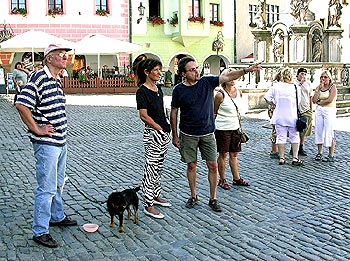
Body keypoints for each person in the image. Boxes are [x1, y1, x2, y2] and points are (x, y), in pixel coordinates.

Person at [170, 57, 261, 212]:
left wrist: (246, 70)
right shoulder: (179, 90)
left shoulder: (207, 82)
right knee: (191, 165)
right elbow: (174, 112)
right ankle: (193, 196)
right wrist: (175, 135)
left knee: (213, 165)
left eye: (196, 68)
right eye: (192, 69)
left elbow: (227, 77)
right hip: (188, 133)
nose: (196, 71)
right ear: (183, 73)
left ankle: (213, 198)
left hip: (208, 133)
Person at [15, 44, 77, 248]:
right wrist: (37, 129)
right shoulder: (38, 78)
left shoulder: (56, 79)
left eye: (66, 55)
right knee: (47, 188)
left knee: (58, 183)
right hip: (47, 143)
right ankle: (40, 230)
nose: (65, 57)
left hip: (61, 141)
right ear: (48, 58)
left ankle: (57, 216)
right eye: (60, 55)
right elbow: (21, 104)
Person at [135, 59, 171, 219]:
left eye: (159, 70)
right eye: (156, 70)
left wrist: (166, 124)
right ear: (146, 72)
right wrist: (158, 128)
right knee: (151, 168)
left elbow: (160, 110)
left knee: (159, 167)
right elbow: (143, 115)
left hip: (163, 132)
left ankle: (155, 195)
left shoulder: (158, 88)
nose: (159, 72)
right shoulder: (142, 91)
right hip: (153, 133)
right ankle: (148, 204)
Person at [214, 72, 250, 190]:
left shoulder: (238, 92)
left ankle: (236, 178)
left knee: (234, 154)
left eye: (234, 77)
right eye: (230, 77)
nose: (232, 80)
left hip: (235, 127)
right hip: (222, 128)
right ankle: (222, 179)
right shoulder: (220, 95)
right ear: (224, 79)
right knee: (223, 154)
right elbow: (214, 112)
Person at [264, 67, 303, 166]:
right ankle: (295, 157)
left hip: (279, 115)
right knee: (294, 136)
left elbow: (267, 97)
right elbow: (299, 102)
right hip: (292, 115)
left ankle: (282, 157)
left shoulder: (276, 86)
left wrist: (274, 103)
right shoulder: (296, 87)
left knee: (281, 137)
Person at [312, 70, 337, 162]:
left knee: (329, 130)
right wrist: (318, 90)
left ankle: (331, 154)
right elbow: (314, 100)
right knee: (319, 130)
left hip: (329, 110)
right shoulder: (319, 87)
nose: (323, 79)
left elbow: (330, 99)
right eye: (321, 77)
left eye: (325, 77)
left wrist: (320, 102)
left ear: (329, 78)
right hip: (319, 110)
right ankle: (319, 152)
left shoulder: (333, 87)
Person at [294, 68, 313, 156]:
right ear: (297, 75)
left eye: (305, 74)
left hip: (306, 108)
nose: (303, 76)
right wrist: (300, 83)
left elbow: (310, 96)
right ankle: (294, 146)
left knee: (304, 129)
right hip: (296, 108)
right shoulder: (294, 83)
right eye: (301, 74)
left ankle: (301, 146)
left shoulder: (308, 83)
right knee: (296, 128)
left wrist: (311, 108)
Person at [265, 68, 282, 159]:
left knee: (280, 130)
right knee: (275, 129)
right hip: (274, 109)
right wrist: (273, 104)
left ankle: (279, 149)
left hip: (280, 109)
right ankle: (274, 150)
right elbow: (267, 97)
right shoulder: (275, 84)